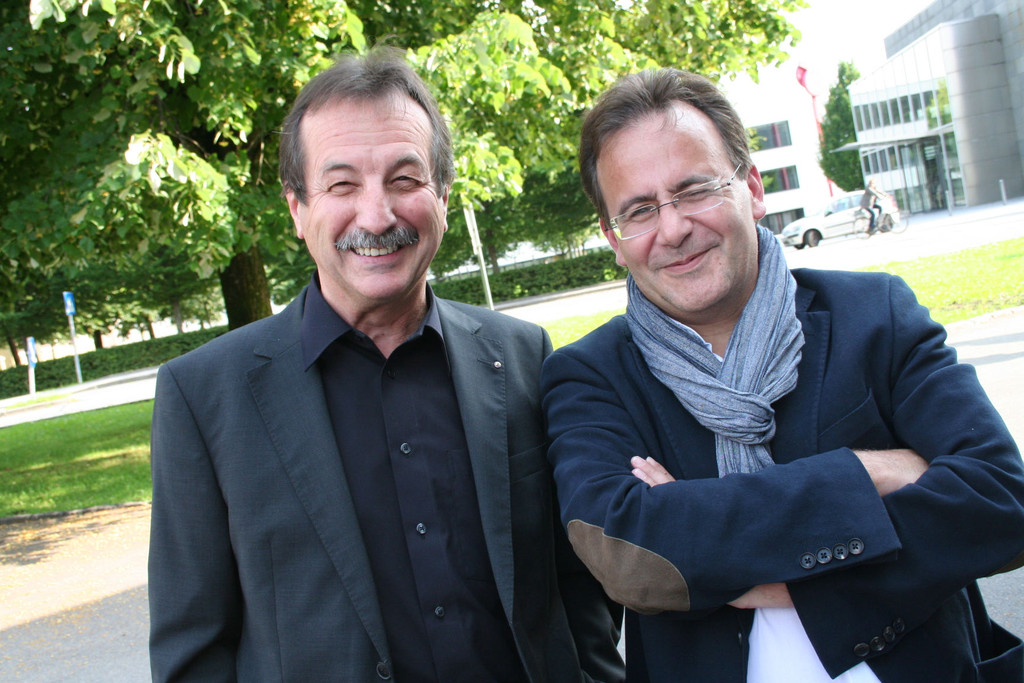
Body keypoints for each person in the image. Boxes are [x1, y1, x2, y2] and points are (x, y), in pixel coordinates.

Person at [148, 48, 624, 683]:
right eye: (342, 185)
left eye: (404, 180)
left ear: (442, 196)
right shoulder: (204, 398)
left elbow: (577, 592)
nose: (377, 216)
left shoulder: (524, 357)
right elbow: (193, 652)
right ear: (297, 209)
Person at [541, 67, 1024, 683]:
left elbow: (1001, 502)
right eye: (639, 210)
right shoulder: (589, 377)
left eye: (694, 190)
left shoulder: (875, 316)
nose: (673, 227)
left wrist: (756, 570)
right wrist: (872, 472)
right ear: (614, 238)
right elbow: (631, 557)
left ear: (752, 187)